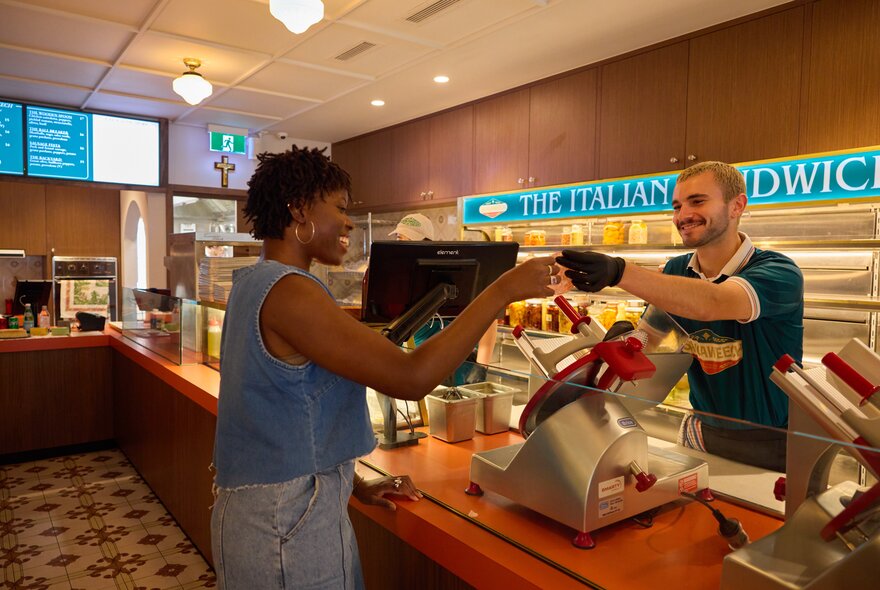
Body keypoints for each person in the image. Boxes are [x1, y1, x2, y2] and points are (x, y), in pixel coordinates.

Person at [210, 146, 560, 589]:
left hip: (282, 512)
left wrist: (352, 482)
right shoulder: (290, 292)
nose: (349, 222)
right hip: (285, 524)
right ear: (299, 209)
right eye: (339, 208)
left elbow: (284, 414)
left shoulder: (255, 283)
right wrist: (499, 290)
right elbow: (410, 378)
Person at [557, 161, 803, 472]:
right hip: (701, 431)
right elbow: (650, 340)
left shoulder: (778, 271)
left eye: (698, 201)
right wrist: (622, 344)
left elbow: (713, 301)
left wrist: (619, 272)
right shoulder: (676, 269)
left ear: (736, 205)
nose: (683, 215)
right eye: (677, 206)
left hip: (774, 441)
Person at [389, 213, 498, 384]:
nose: (400, 245)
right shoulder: (400, 281)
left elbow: (489, 317)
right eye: (398, 239)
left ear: (425, 244)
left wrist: (481, 368)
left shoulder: (454, 276)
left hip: (458, 373)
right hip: (416, 371)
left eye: (406, 240)